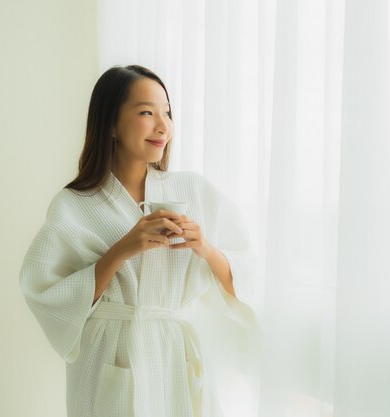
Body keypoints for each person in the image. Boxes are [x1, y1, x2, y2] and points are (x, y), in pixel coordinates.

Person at [20, 65, 259, 417]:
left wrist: (204, 248)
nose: (163, 126)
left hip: (175, 353)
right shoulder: (74, 205)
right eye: (147, 113)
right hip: (111, 353)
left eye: (167, 113)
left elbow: (246, 274)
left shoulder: (192, 190)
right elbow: (47, 293)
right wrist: (122, 250)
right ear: (111, 124)